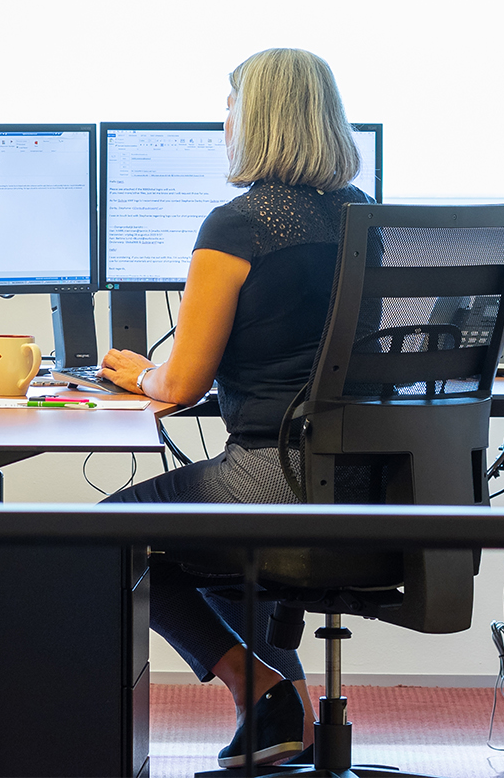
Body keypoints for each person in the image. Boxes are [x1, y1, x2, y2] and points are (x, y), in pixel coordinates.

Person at [99, 46, 370, 771]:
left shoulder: (238, 227)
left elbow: (184, 383)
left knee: (101, 534)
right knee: (210, 528)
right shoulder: (369, 219)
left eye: (230, 108)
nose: (224, 123)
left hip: (282, 479)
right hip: (382, 486)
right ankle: (285, 719)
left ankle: (260, 686)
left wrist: (139, 371)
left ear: (257, 121)